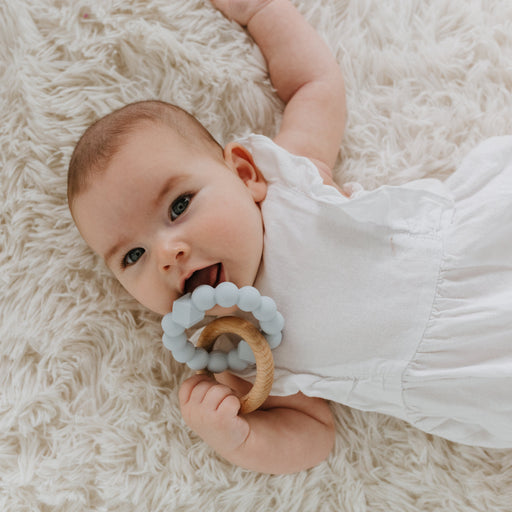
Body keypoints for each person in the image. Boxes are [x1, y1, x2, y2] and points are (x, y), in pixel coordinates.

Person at [67, 0, 512, 475]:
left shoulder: (289, 184)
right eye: (132, 255)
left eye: (179, 206)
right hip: (472, 369)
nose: (167, 253)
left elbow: (313, 85)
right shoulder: (235, 353)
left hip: (475, 246)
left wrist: (261, 14)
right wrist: (238, 438)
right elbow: (312, 433)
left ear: (243, 173)